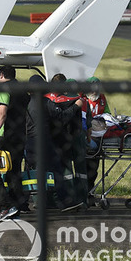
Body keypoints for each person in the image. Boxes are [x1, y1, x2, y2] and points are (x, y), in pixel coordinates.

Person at [0, 66, 29, 222]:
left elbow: (2, 113)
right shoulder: (23, 90)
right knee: (13, 172)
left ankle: (5, 205)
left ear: (2, 75)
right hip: (20, 136)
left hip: (5, 137)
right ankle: (16, 207)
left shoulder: (4, 88)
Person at [45, 73, 87, 209]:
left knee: (65, 171)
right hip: (76, 137)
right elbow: (86, 121)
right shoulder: (78, 100)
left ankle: (65, 200)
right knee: (80, 170)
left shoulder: (47, 99)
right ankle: (82, 200)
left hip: (58, 140)